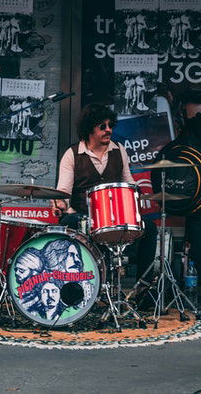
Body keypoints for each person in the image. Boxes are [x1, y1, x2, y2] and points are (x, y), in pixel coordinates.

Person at [52, 104, 157, 282]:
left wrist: (135, 197)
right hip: (83, 216)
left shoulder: (119, 150)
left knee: (150, 228)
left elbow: (128, 181)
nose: (108, 130)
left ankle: (143, 288)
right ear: (89, 129)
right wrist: (61, 204)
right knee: (69, 221)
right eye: (103, 126)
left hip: (114, 216)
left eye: (110, 126)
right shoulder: (72, 154)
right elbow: (63, 191)